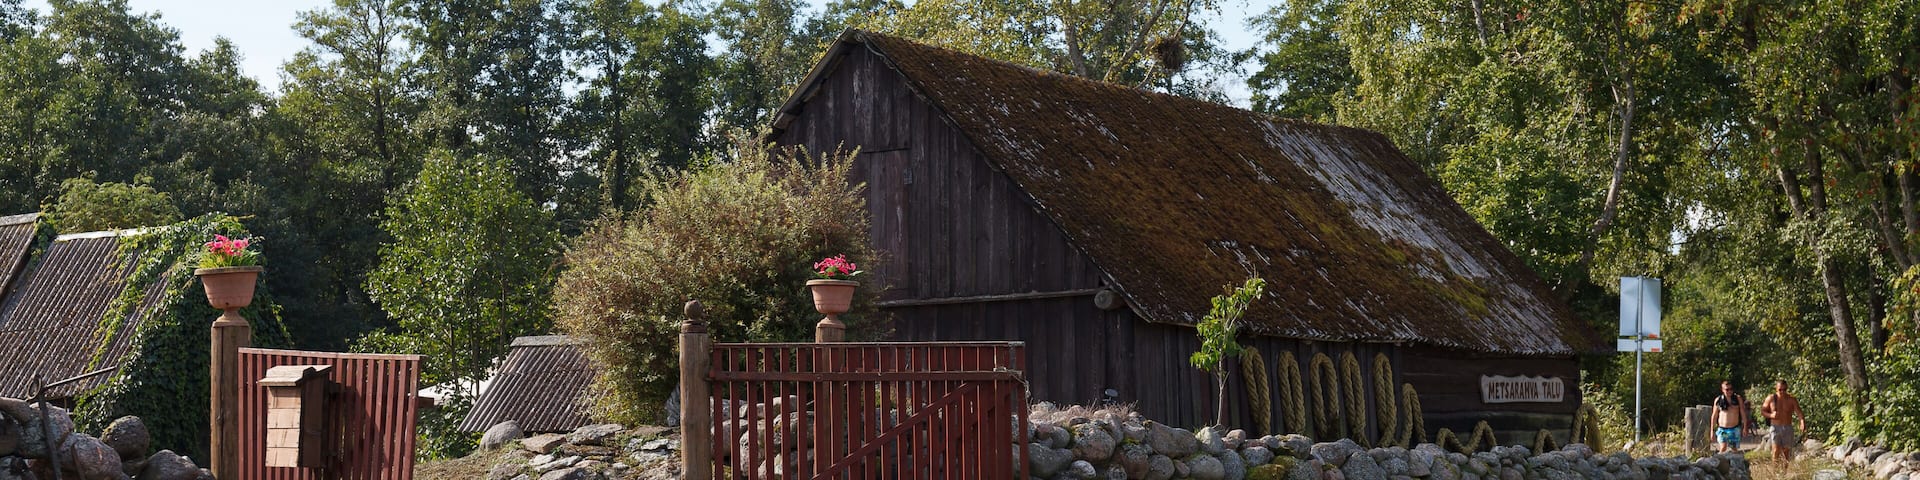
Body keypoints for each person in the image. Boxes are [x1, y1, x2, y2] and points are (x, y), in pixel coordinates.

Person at [1761, 380, 1807, 469]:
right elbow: (1763, 411)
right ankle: (1775, 472)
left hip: (1787, 427)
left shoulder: (1791, 399)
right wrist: (1770, 415)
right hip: (1775, 427)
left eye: (1784, 389)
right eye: (1780, 390)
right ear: (1776, 389)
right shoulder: (1771, 398)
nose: (1782, 392)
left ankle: (1784, 473)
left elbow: (1799, 412)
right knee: (1775, 451)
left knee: (1786, 452)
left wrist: (1802, 422)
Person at [1710, 380, 1752, 453]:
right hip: (1723, 429)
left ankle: (1734, 463)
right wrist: (1712, 431)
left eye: (1731, 389)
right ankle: (1720, 462)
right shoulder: (1718, 400)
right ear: (1723, 390)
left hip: (1734, 429)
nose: (1729, 391)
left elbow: (1742, 413)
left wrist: (1745, 427)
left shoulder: (1737, 399)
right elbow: (1714, 416)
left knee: (1734, 449)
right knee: (1723, 447)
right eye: (1727, 389)